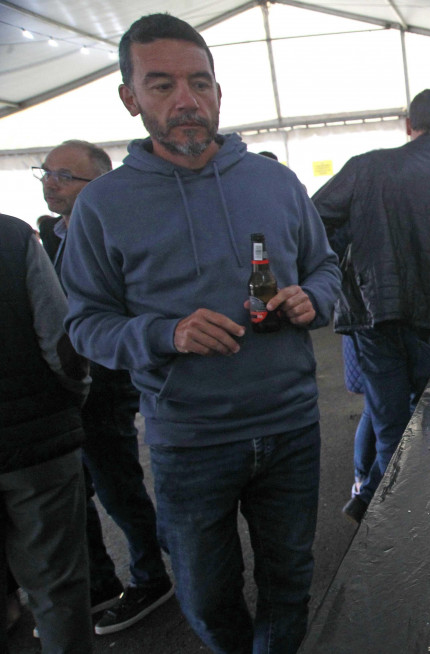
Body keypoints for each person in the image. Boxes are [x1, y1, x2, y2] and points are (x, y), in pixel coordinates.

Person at [61, 13, 341, 654]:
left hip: (292, 423)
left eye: (200, 83)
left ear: (218, 90)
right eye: (161, 86)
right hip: (189, 438)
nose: (186, 101)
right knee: (206, 595)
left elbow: (326, 267)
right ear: (130, 98)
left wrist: (313, 297)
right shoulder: (103, 205)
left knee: (290, 583)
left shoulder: (275, 181)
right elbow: (84, 324)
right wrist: (165, 333)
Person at [312, 89, 430, 524]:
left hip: (372, 317)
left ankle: (381, 516)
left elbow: (310, 221)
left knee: (388, 424)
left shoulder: (364, 167)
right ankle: (419, 519)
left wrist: (345, 266)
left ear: (407, 125)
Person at [37, 139, 175, 635]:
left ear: (99, 183)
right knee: (80, 488)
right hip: (67, 384)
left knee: (117, 484)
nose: (52, 183)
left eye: (64, 176)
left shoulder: (114, 232)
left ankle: (151, 575)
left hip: (106, 380)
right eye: (47, 173)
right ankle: (100, 583)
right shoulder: (51, 236)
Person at [1, 212, 92, 654]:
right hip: (35, 444)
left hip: (34, 438)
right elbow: (60, 340)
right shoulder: (11, 236)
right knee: (56, 586)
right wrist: (71, 401)